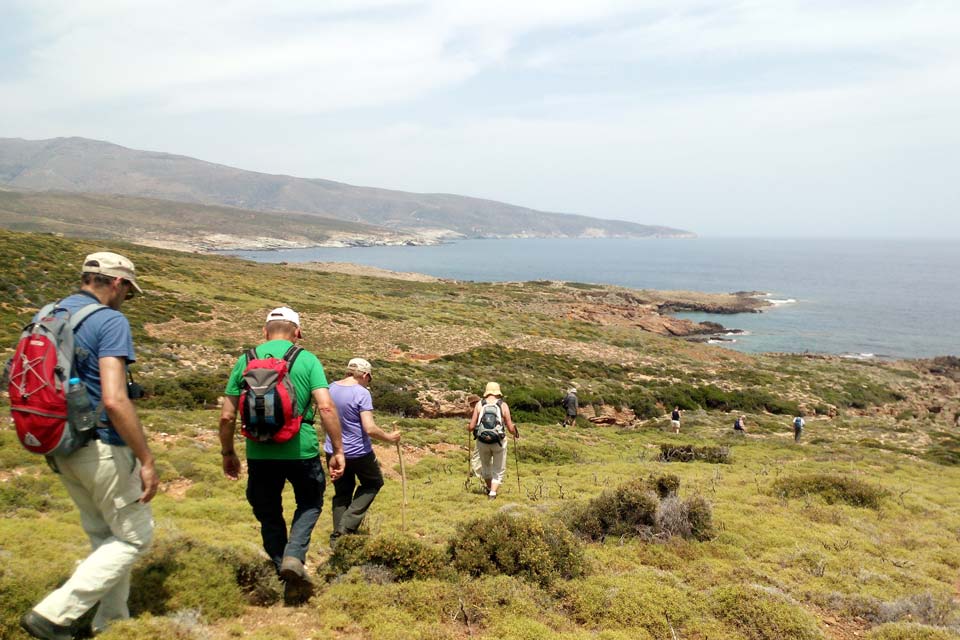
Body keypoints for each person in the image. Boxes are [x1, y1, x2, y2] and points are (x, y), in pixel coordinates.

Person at [21, 252, 158, 640]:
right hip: (102, 444)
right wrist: (146, 458)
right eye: (128, 291)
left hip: (60, 443)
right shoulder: (109, 320)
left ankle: (111, 623)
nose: (126, 299)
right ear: (117, 283)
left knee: (105, 536)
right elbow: (114, 399)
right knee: (135, 538)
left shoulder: (49, 314)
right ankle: (52, 615)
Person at [219, 307, 345, 605]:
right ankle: (294, 557)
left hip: (259, 451)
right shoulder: (307, 359)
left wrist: (228, 452)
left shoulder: (245, 360)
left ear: (265, 332)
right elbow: (326, 407)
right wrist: (338, 449)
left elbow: (227, 416)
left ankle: (282, 569)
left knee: (268, 512)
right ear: (297, 332)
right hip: (300, 449)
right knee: (310, 502)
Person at [326, 358, 401, 544]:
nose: (369, 382)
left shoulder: (330, 388)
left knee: (342, 492)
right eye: (369, 379)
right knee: (373, 483)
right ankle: (345, 529)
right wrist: (389, 437)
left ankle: (338, 541)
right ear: (365, 375)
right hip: (358, 451)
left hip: (333, 450)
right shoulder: (361, 393)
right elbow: (369, 428)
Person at [467, 382, 518, 499]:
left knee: (485, 466)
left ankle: (490, 488)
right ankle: (493, 493)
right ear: (498, 392)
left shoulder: (479, 404)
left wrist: (468, 427)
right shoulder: (503, 405)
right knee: (498, 468)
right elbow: (510, 428)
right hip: (498, 441)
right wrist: (515, 432)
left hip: (482, 441)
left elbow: (471, 427)